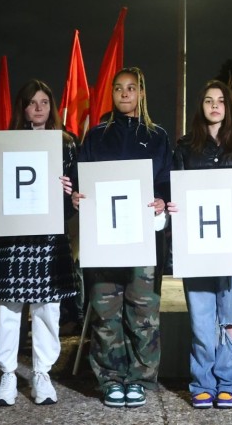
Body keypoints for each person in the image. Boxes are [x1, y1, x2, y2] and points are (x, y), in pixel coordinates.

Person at [70, 67, 172, 408]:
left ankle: (139, 379)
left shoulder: (158, 137)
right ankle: (111, 379)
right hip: (104, 241)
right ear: (111, 94)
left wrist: (162, 202)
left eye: (132, 88)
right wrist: (77, 196)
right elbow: (79, 181)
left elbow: (167, 184)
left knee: (143, 313)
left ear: (141, 93)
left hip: (142, 240)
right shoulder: (96, 137)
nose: (125, 93)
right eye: (118, 88)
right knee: (105, 311)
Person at [0, 80, 79, 407]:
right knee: (6, 309)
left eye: (44, 102)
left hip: (48, 237)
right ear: (22, 108)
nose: (38, 108)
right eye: (32, 102)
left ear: (52, 107)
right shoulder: (3, 143)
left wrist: (69, 192)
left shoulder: (67, 144)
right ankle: (7, 374)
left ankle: (41, 373)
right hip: (11, 237)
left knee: (48, 309)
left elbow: (73, 201)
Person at [171, 80, 232, 409]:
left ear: (229, 108)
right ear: (201, 106)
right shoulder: (184, 148)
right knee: (200, 319)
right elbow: (172, 191)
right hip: (196, 244)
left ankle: (229, 380)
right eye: (209, 100)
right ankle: (202, 382)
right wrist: (172, 205)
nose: (215, 106)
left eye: (221, 101)